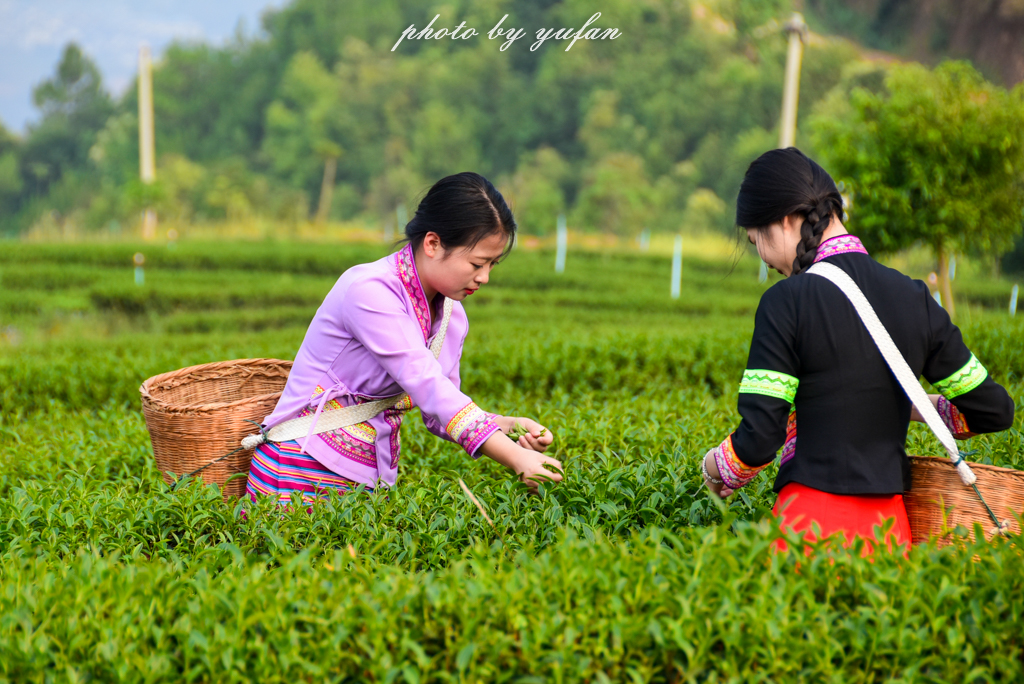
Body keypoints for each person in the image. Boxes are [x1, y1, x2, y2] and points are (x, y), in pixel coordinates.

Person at [700, 148, 1015, 550]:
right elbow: (993, 410)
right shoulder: (915, 297)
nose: (762, 258)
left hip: (807, 529)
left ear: (782, 220)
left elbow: (760, 439)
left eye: (754, 241)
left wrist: (715, 469)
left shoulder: (787, 302)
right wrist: (914, 405)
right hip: (890, 535)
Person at [246, 172, 563, 504]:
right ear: (432, 243)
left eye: (493, 265)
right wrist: (515, 459)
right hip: (301, 467)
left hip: (368, 477)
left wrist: (504, 426)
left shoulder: (451, 316)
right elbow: (427, 384)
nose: (484, 278)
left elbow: (440, 408)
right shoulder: (369, 291)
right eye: (476, 263)